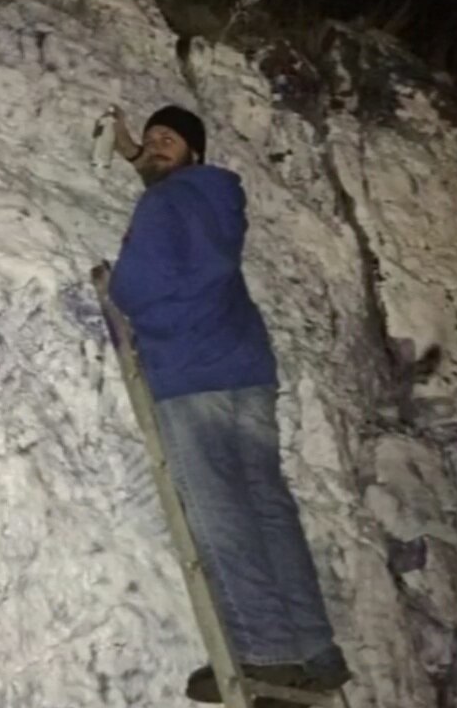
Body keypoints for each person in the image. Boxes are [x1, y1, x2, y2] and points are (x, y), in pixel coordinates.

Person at [106, 105, 353, 703]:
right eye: (152, 137)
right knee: (268, 512)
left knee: (220, 517)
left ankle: (266, 655)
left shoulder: (165, 203)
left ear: (193, 152)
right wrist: (137, 156)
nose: (156, 144)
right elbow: (181, 225)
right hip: (246, 370)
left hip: (194, 375)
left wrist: (125, 292)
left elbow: (135, 285)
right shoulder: (215, 200)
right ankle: (315, 653)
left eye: (169, 139)